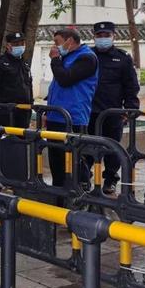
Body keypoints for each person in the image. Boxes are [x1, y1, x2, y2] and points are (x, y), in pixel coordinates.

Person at [89, 21, 140, 195]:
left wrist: (130, 108)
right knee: (87, 146)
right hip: (89, 112)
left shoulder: (122, 58)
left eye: (106, 36)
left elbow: (131, 85)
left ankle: (110, 180)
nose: (103, 39)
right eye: (99, 36)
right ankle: (83, 179)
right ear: (94, 37)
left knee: (112, 148)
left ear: (113, 36)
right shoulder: (87, 56)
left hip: (113, 112)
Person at [45, 28, 99, 187]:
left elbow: (65, 79)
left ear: (69, 41)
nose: (55, 47)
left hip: (73, 118)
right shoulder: (67, 57)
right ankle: (59, 192)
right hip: (56, 116)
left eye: (57, 42)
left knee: (74, 159)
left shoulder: (86, 58)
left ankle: (82, 190)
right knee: (57, 161)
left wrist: (55, 59)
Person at [0, 31, 33, 128]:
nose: (20, 46)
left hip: (24, 110)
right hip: (7, 110)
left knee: (23, 139)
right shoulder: (0, 63)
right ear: (8, 45)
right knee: (8, 140)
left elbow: (29, 86)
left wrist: (31, 104)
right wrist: (0, 107)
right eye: (16, 44)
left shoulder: (24, 64)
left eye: (22, 44)